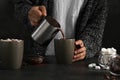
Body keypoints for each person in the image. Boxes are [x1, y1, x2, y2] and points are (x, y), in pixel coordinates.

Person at [14, 0, 108, 64]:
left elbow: (96, 25)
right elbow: (20, 4)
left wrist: (86, 45)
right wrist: (29, 12)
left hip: (76, 64)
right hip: (36, 60)